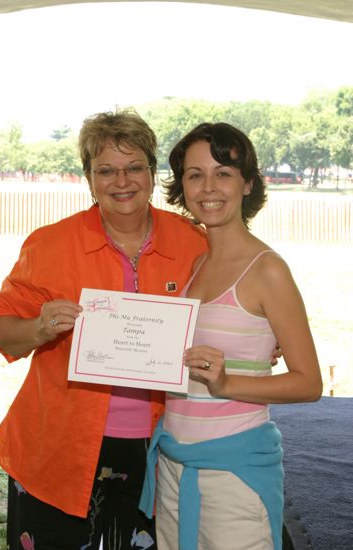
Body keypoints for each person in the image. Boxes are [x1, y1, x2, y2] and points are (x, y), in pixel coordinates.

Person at [0, 110, 209, 550]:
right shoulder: (50, 244)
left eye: (133, 167)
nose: (121, 181)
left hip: (161, 449)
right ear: (89, 178)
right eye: (105, 170)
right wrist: (39, 327)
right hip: (59, 448)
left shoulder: (194, 242)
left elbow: (228, 313)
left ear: (151, 171)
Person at [139, 122, 323, 550]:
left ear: (247, 184)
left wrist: (226, 383)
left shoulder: (267, 270)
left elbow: (309, 382)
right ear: (182, 186)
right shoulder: (194, 266)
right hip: (173, 467)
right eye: (194, 174)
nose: (208, 187)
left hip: (234, 473)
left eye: (223, 172)